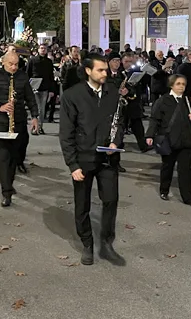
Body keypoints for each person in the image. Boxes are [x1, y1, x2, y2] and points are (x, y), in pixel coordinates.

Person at [59, 54, 125, 266]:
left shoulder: (112, 93)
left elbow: (119, 123)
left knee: (111, 200)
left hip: (107, 158)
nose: (105, 73)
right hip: (83, 158)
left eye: (106, 70)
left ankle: (106, 243)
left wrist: (115, 141)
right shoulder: (72, 95)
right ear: (88, 71)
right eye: (100, 70)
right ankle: (87, 243)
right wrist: (72, 164)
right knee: (82, 204)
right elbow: (66, 133)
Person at [0, 52, 39, 206]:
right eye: (10, 64)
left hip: (19, 120)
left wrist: (34, 116)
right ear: (3, 62)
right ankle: (6, 192)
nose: (13, 67)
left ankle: (9, 184)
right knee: (4, 156)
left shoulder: (22, 76)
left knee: (14, 156)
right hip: (1, 121)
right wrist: (0, 107)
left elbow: (30, 98)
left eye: (16, 64)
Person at [146, 74, 191, 206]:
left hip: (186, 140)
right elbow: (155, 119)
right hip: (169, 140)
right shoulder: (163, 101)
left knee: (185, 170)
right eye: (178, 84)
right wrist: (149, 135)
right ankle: (164, 190)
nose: (181, 87)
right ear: (171, 85)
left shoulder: (188, 100)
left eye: (183, 84)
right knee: (167, 167)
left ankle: (188, 197)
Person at [26, 44, 56, 135]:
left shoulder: (49, 62)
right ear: (38, 50)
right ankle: (36, 127)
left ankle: (39, 126)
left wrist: (52, 90)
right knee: (36, 108)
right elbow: (27, 73)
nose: (43, 50)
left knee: (42, 109)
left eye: (45, 49)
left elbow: (51, 76)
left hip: (45, 88)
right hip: (34, 87)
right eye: (41, 48)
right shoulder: (32, 60)